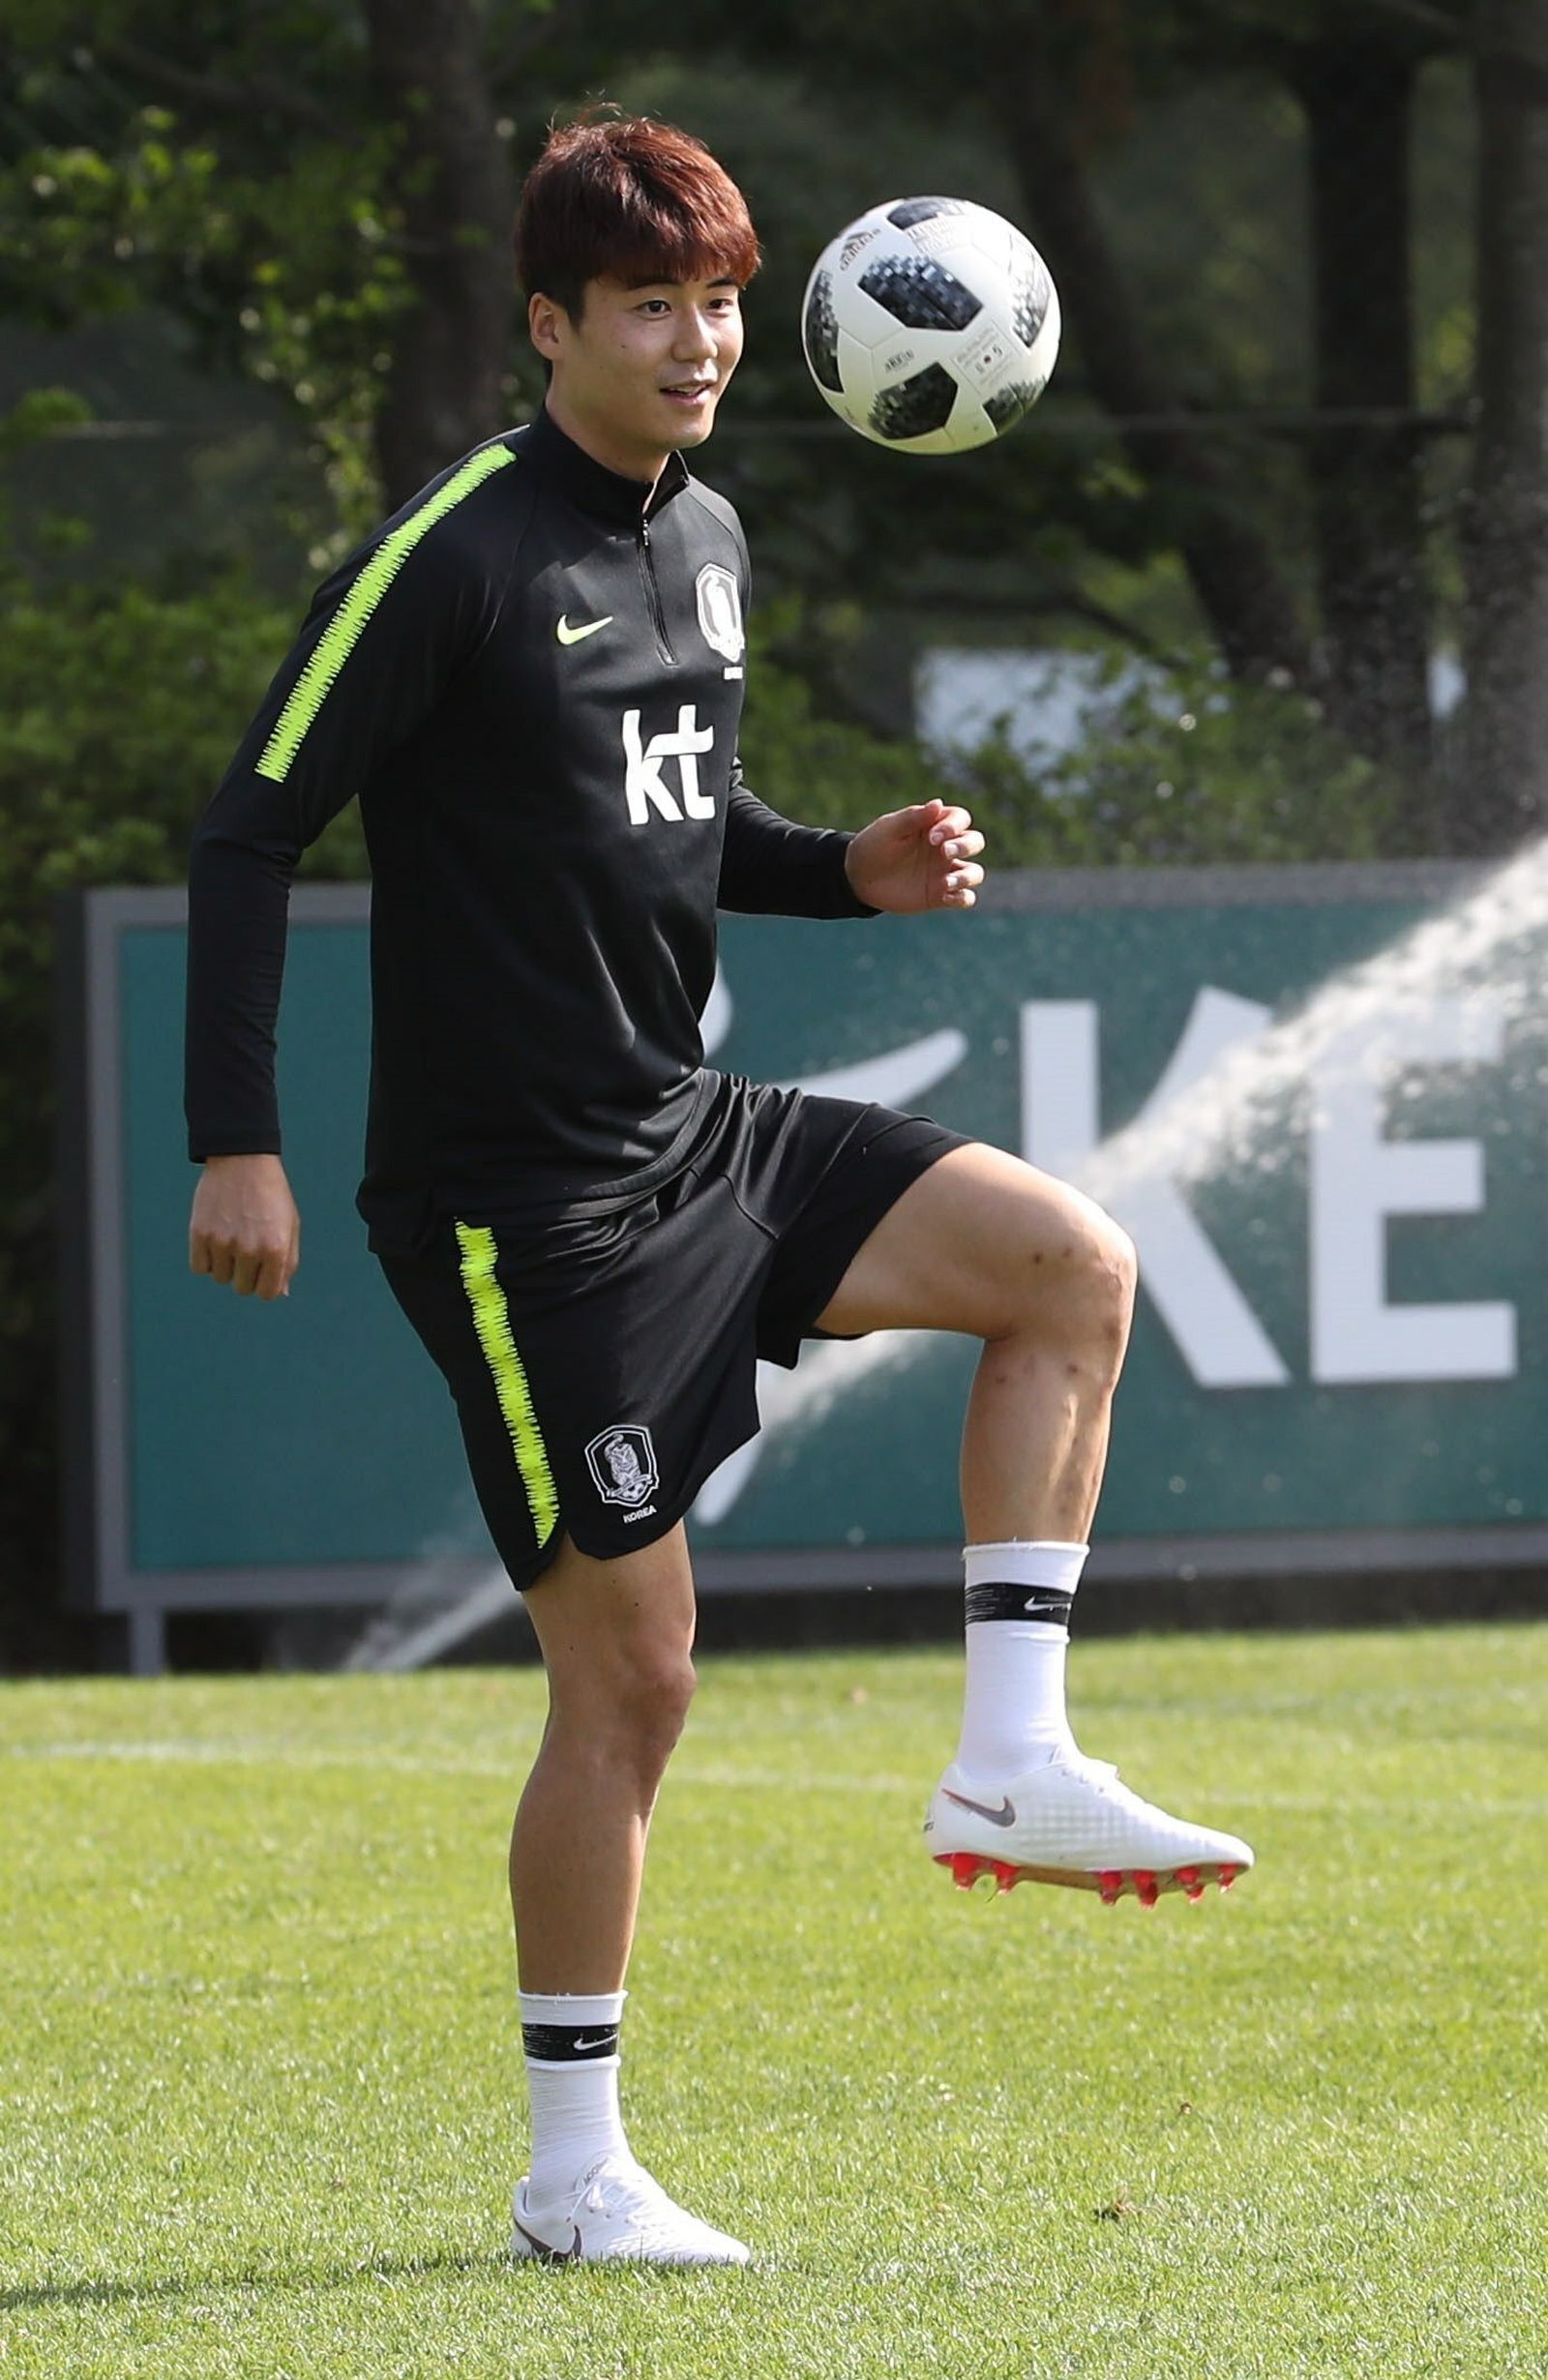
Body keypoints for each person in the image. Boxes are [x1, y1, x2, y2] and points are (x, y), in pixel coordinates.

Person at [185, 109, 1252, 2270]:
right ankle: (572, 2173)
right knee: (638, 1679)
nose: (697, 341)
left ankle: (1008, 1757)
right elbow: (248, 830)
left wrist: (833, 870)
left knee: (1070, 1265)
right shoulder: (453, 553)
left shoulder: (711, 536)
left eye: (722, 301)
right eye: (651, 304)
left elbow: (675, 816)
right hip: (519, 1209)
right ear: (551, 322)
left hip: (696, 1129)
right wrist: (236, 1136)